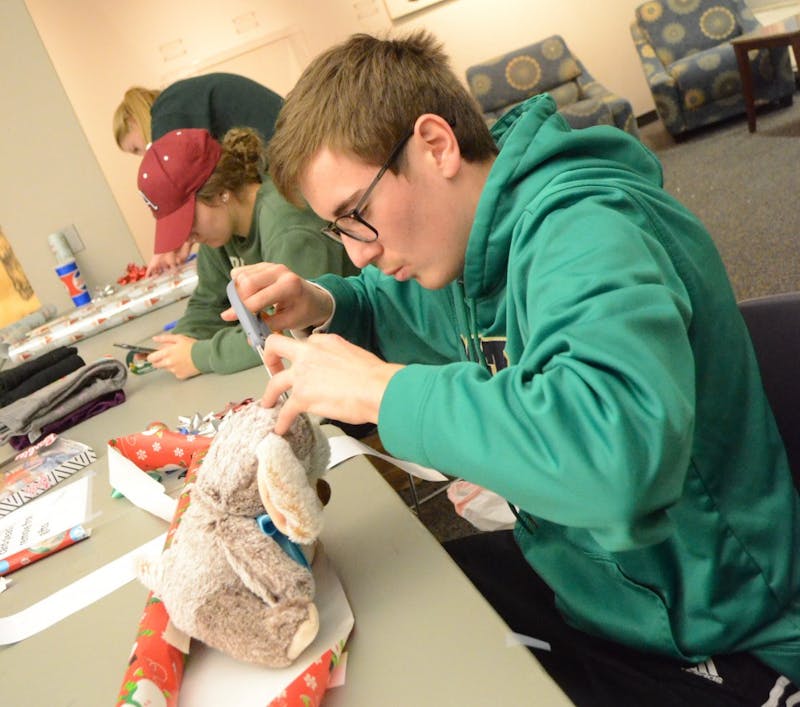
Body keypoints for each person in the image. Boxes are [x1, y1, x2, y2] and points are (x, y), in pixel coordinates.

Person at [224, 31, 800, 706]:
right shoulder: (464, 242)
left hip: (716, 626)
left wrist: (385, 390)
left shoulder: (587, 226)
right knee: (376, 611)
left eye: (356, 215)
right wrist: (323, 301)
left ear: (436, 144)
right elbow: (392, 303)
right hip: (593, 587)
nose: (357, 254)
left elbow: (618, 461)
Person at [138, 126, 358, 379]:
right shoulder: (221, 229)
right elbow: (208, 302)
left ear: (220, 192)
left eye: (187, 221)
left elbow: (290, 329)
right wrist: (180, 341)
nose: (187, 237)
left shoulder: (289, 229)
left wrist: (200, 355)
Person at [113, 73, 284, 275]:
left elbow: (174, 188)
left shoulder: (168, 113)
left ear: (133, 120)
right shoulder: (183, 101)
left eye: (136, 149)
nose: (145, 155)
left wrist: (167, 250)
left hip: (287, 162)